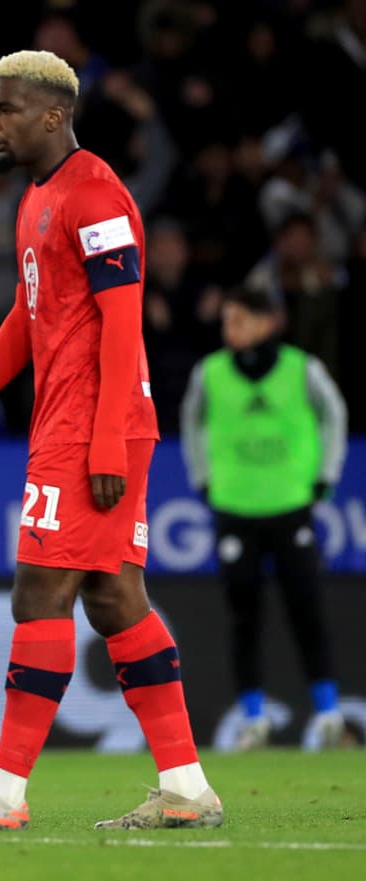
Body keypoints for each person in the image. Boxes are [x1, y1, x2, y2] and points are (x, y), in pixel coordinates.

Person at [0, 51, 222, 832]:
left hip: (94, 424)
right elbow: (28, 317)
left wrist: (109, 442)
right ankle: (185, 786)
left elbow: (124, 320)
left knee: (38, 593)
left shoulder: (97, 194)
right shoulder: (38, 199)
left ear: (53, 115)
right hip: (72, 419)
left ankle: (3, 792)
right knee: (115, 598)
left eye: (5, 109)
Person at [181, 286, 348, 751]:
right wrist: (203, 478)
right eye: (226, 320)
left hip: (290, 503)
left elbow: (334, 413)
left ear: (265, 322)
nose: (227, 329)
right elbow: (190, 420)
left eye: (236, 319)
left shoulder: (302, 368)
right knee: (243, 617)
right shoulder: (210, 373)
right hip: (235, 507)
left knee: (306, 610)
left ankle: (329, 715)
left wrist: (326, 475)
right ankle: (253, 720)